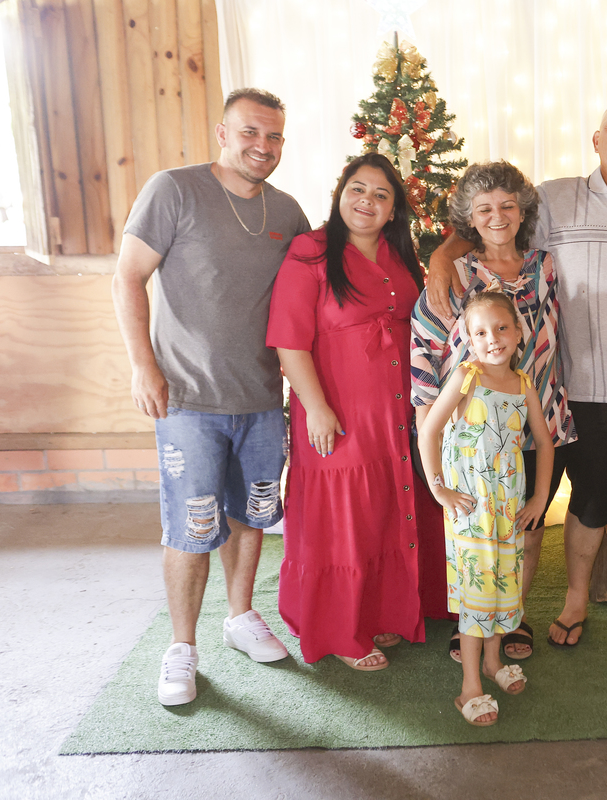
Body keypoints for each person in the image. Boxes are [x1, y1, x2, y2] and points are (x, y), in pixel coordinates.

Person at [428, 100, 607, 658]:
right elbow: (493, 225)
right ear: (596, 140)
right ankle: (575, 601)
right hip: (581, 390)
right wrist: (442, 256)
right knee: (590, 501)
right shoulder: (556, 199)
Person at [111, 88, 310, 706]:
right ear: (223, 133)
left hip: (261, 398)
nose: (262, 146)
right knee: (191, 526)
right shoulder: (174, 190)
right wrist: (143, 366)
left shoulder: (288, 211)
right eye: (250, 132)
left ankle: (240, 616)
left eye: (273, 136)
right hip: (187, 401)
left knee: (252, 515)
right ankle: (181, 646)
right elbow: (128, 277)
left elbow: (309, 296)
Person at [266, 153, 446, 670]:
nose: (367, 201)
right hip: (337, 412)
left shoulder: (400, 254)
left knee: (386, 509)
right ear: (340, 194)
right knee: (344, 520)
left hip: (398, 413)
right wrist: (316, 409)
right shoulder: (311, 252)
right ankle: (341, 631)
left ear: (394, 210)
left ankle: (384, 611)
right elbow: (289, 342)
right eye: (358, 189)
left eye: (381, 195)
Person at [410, 161, 575, 662]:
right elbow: (425, 353)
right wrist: (430, 442)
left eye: (507, 205)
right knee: (473, 537)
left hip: (539, 416)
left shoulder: (546, 266)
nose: (498, 216)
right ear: (469, 218)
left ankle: (511, 617)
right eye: (484, 209)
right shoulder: (454, 274)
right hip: (475, 437)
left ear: (522, 210)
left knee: (527, 530)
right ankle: (473, 623)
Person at [418, 290, 554, 726]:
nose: (492, 339)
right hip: (472, 510)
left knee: (502, 587)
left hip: (508, 507)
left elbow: (545, 443)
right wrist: (439, 490)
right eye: (480, 333)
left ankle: (494, 663)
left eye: (501, 328)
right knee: (477, 596)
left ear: (518, 332)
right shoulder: (466, 376)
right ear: (468, 338)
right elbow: (429, 432)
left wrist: (539, 498)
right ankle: (469, 686)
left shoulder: (525, 384)